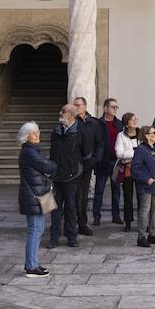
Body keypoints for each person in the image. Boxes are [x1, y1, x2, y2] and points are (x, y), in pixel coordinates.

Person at [16, 121, 55, 278]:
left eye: (37, 132)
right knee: (35, 230)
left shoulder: (32, 150)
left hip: (38, 194)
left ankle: (33, 262)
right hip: (34, 196)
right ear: (26, 136)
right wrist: (53, 165)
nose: (37, 135)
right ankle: (31, 265)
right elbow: (46, 166)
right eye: (33, 133)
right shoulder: (29, 152)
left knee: (38, 229)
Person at [48, 104, 90, 248]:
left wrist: (79, 171)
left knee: (71, 208)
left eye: (63, 111)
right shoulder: (57, 131)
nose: (60, 113)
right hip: (57, 176)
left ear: (71, 115)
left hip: (73, 177)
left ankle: (72, 237)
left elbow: (87, 154)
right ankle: (54, 238)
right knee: (55, 209)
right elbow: (52, 153)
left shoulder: (80, 131)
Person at [131, 124, 155, 247]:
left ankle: (152, 234)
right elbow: (134, 169)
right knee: (145, 210)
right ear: (147, 136)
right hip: (146, 186)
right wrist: (146, 179)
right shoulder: (141, 150)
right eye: (154, 133)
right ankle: (141, 236)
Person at [71, 97, 100, 235]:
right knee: (71, 195)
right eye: (74, 105)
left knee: (83, 196)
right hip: (71, 165)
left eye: (78, 105)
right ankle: (69, 225)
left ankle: (82, 224)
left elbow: (100, 143)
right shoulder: (70, 122)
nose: (76, 107)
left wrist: (95, 159)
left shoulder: (93, 123)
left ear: (85, 106)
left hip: (87, 165)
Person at [92, 97, 122, 227]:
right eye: (112, 107)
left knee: (116, 191)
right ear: (105, 108)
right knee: (99, 190)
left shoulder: (119, 124)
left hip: (116, 162)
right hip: (102, 162)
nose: (115, 109)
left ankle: (116, 216)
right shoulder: (98, 123)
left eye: (116, 107)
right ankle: (96, 217)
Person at [114, 112, 141, 231]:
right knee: (128, 197)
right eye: (132, 119)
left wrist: (130, 155)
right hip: (128, 169)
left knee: (142, 197)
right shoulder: (121, 135)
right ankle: (128, 222)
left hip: (141, 169)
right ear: (126, 123)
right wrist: (137, 154)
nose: (135, 121)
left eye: (136, 119)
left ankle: (142, 221)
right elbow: (119, 153)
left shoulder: (141, 133)